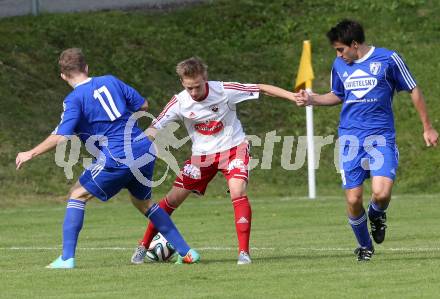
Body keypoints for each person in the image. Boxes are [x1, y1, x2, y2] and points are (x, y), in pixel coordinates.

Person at [15, 48, 200, 268]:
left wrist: (30, 153)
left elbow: (62, 135)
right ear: (86, 68)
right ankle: (186, 252)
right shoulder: (110, 81)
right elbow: (143, 105)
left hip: (117, 155)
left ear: (63, 76)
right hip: (143, 148)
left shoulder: (74, 99)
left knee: (77, 195)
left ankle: (66, 258)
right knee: (143, 203)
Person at [131, 56, 299, 265]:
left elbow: (261, 88)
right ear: (183, 83)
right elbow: (155, 127)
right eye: (189, 88)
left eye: (198, 86)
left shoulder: (224, 90)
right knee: (171, 200)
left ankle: (244, 253)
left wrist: (293, 96)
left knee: (238, 190)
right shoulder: (179, 101)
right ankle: (143, 245)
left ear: (205, 78)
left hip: (234, 149)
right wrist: (132, 149)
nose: (194, 92)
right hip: (201, 157)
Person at [295, 20, 438, 261]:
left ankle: (377, 215)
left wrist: (428, 126)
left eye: (341, 49)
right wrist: (313, 100)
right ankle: (365, 245)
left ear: (354, 44)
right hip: (350, 139)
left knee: (381, 195)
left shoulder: (388, 59)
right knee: (353, 199)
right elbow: (337, 95)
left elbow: (413, 89)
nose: (339, 55)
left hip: (381, 138)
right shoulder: (339, 65)